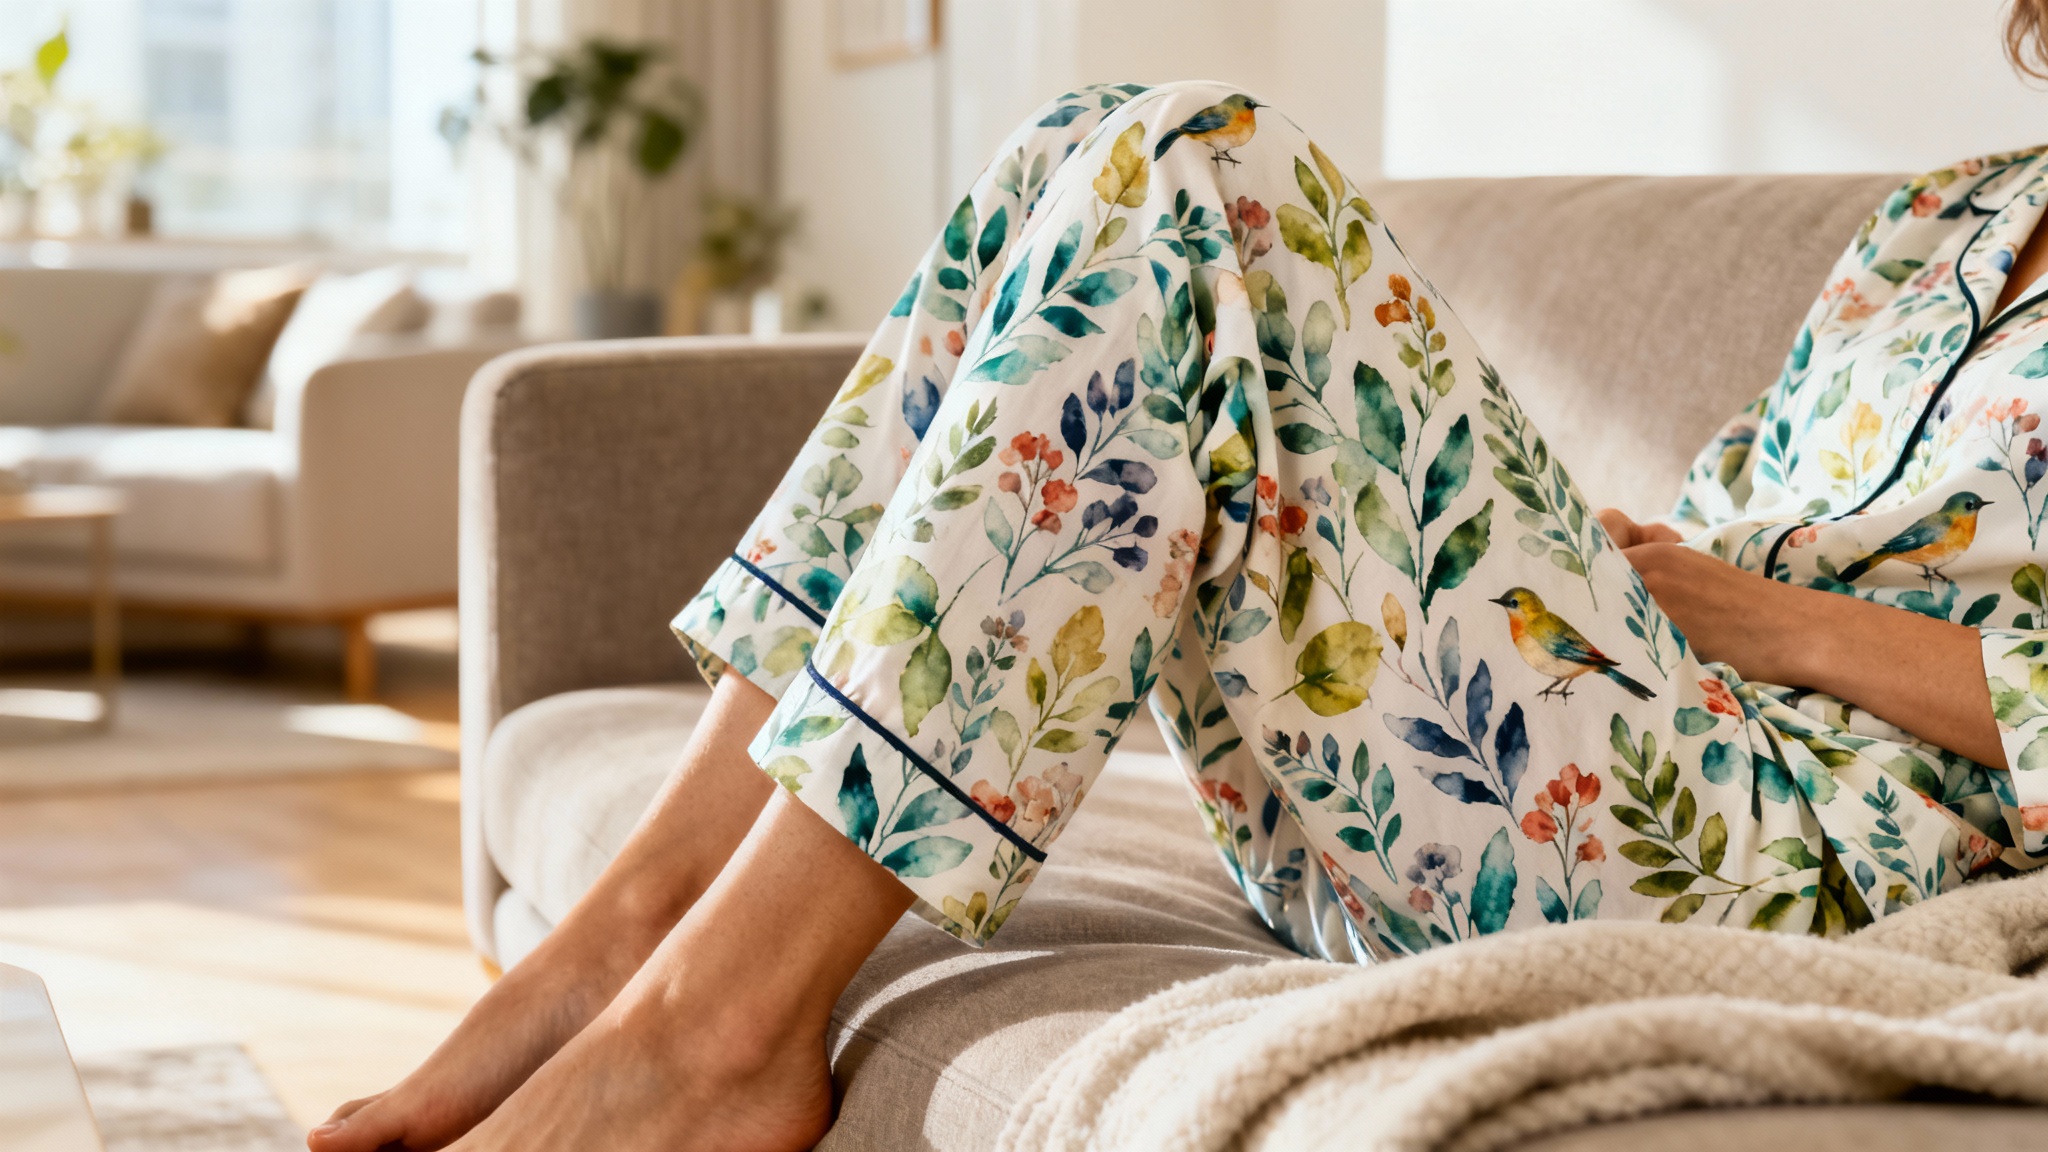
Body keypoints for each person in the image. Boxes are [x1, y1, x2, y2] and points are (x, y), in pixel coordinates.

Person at [311, 8, 2048, 1150]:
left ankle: (724, 1021)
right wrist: (1586, 558)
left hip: (1795, 861)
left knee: (1205, 160)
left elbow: (1800, 601)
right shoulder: (1944, 220)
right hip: (1600, 742)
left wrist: (1768, 622)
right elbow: (1758, 506)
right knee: (1082, 148)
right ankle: (631, 932)